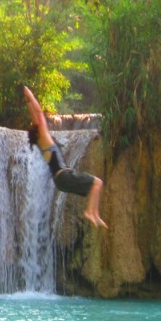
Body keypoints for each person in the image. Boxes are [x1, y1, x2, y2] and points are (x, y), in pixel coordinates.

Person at [23, 85, 106, 227]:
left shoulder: (41, 143)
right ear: (39, 130)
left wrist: (27, 101)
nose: (44, 125)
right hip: (64, 176)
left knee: (94, 186)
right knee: (97, 183)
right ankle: (91, 212)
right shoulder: (44, 136)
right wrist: (30, 94)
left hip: (60, 182)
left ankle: (93, 213)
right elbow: (38, 113)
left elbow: (34, 115)